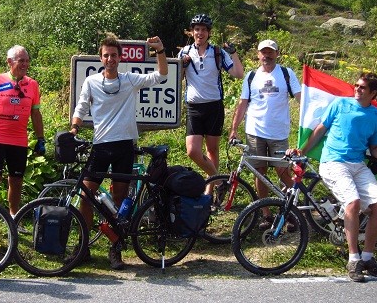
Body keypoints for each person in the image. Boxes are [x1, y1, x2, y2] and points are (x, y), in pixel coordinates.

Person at [70, 35, 168, 270]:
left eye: (114, 55)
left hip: (124, 146)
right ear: (100, 58)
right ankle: (83, 247)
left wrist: (160, 51)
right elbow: (82, 106)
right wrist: (74, 128)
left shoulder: (129, 80)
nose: (110, 59)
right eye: (106, 55)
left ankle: (115, 249)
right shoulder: (92, 81)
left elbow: (161, 75)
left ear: (120, 57)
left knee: (119, 200)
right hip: (101, 146)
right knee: (85, 196)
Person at [288, 72, 377, 282]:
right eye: (356, 85)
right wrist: (302, 150)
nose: (357, 89)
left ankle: (368, 258)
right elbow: (321, 129)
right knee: (352, 203)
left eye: (362, 87)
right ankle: (353, 260)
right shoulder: (340, 104)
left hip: (358, 165)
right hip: (333, 162)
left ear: (373, 93)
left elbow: (375, 148)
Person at [229, 39, 301, 229]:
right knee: (259, 173)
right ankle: (266, 215)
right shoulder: (251, 76)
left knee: (283, 172)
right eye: (263, 52)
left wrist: (310, 120)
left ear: (277, 54)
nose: (267, 56)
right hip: (255, 132)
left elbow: (300, 98)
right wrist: (234, 128)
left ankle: (291, 212)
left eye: (270, 52)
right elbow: (243, 103)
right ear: (258, 54)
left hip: (279, 133)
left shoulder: (286, 74)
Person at [0, 45, 45, 226]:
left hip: (19, 140)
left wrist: (41, 139)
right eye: (21, 60)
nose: (25, 64)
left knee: (16, 180)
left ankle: (13, 217)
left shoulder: (32, 84)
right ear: (9, 62)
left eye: (27, 61)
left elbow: (36, 114)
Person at [178, 14, 244, 180]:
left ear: (209, 33)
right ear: (192, 32)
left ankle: (211, 190)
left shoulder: (217, 52)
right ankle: (220, 180)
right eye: (197, 29)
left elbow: (238, 73)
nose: (200, 33)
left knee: (212, 150)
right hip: (194, 107)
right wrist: (182, 66)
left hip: (214, 107)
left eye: (204, 30)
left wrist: (233, 53)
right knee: (192, 151)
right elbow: (176, 80)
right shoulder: (185, 52)